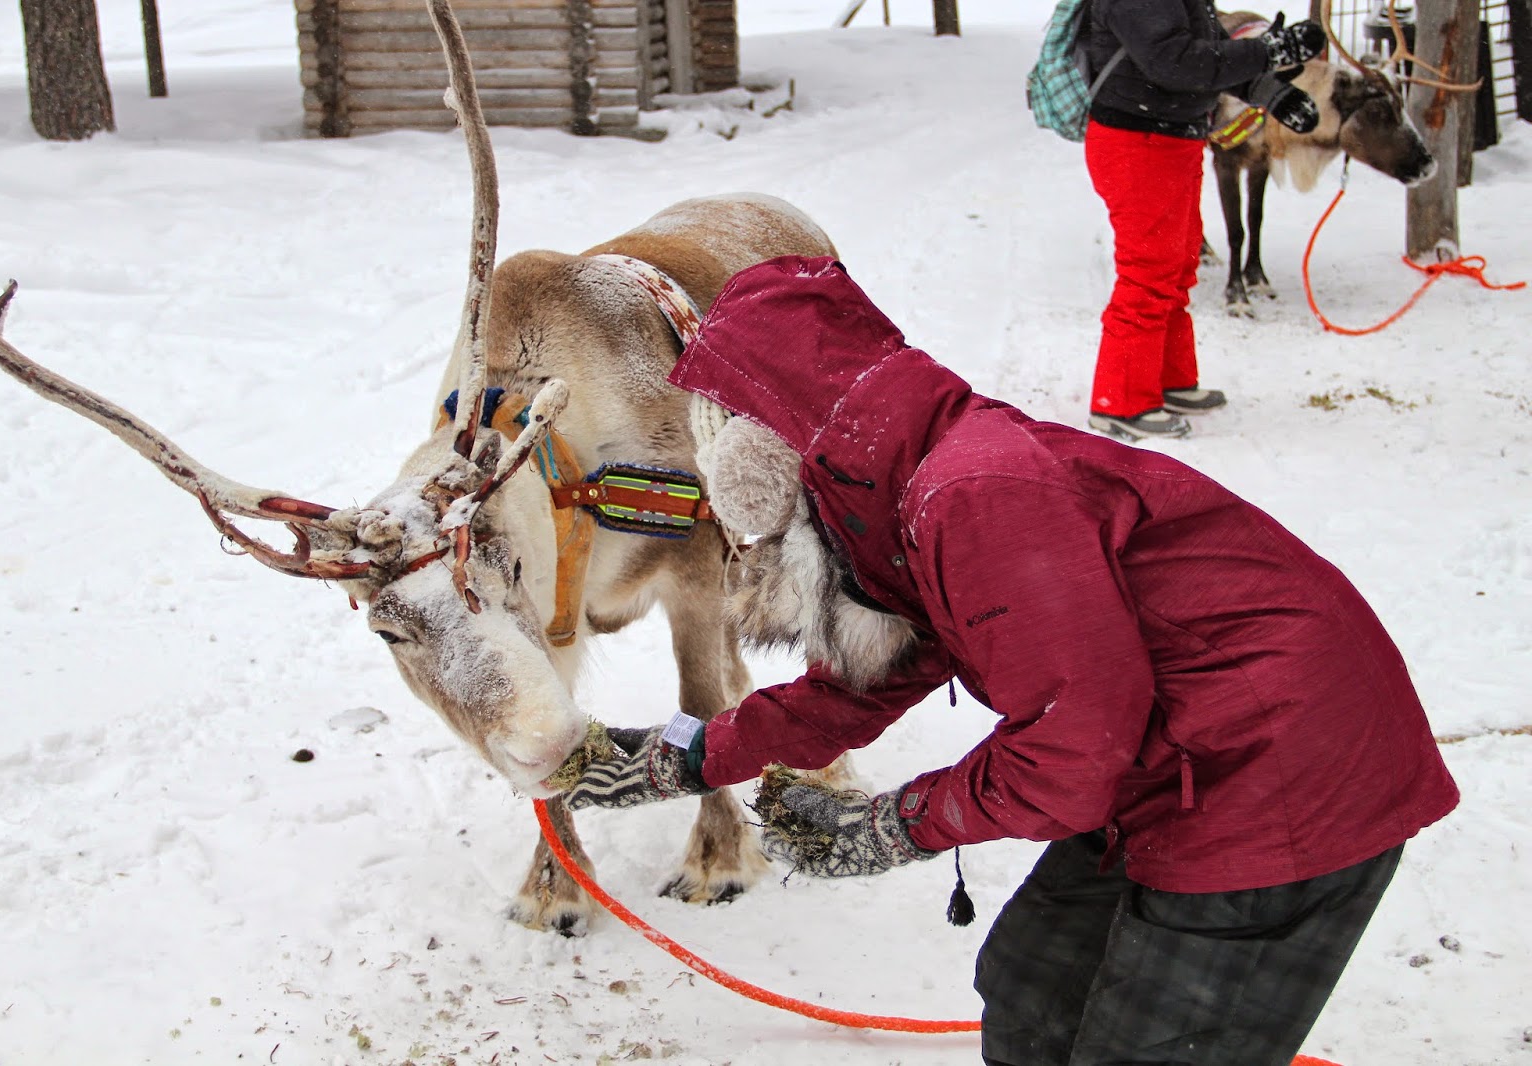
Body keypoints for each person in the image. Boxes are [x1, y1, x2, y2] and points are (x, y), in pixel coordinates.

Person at [563, 255, 1459, 1066]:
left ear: (772, 443)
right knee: (1031, 993)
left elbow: (1072, 751)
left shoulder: (974, 497)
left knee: (1144, 1049)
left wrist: (894, 825)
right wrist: (675, 759)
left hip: (1282, 778)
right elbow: (855, 691)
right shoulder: (890, 502)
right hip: (1167, 762)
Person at [1080, 3, 1328, 440]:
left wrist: (1272, 92)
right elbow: (1174, 63)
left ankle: (1167, 381)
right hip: (1137, 141)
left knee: (1176, 266)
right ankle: (1120, 402)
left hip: (1171, 138)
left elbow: (1209, 55)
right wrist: (1267, 50)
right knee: (1149, 272)